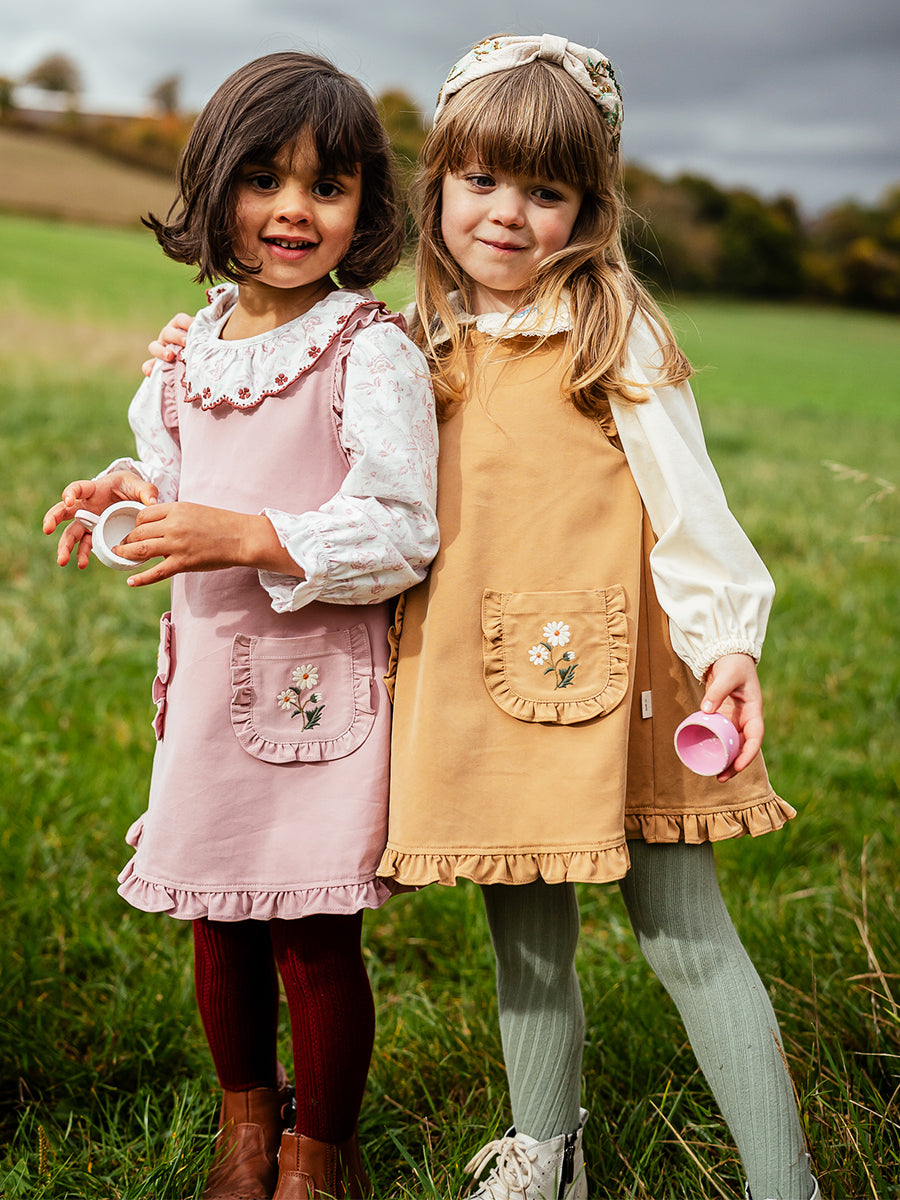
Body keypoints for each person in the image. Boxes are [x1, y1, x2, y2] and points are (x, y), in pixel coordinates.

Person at [141, 34, 820, 1200]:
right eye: (483, 180)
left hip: (624, 686)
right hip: (498, 694)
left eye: (546, 192)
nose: (507, 214)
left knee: (687, 935)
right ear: (439, 185)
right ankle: (546, 1156)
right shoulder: (419, 345)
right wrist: (195, 345)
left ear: (590, 210)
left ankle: (784, 1183)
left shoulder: (610, 333)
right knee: (527, 938)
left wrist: (728, 644)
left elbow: (691, 507)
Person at [43, 51, 438, 1200]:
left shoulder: (366, 351)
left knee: (312, 931)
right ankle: (247, 1124)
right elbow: (177, 494)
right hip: (210, 687)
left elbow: (403, 529)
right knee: (215, 915)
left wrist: (256, 535)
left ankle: (320, 1153)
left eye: (327, 186)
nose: (292, 210)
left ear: (364, 206)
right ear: (217, 188)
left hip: (317, 693)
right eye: (264, 179)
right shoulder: (187, 354)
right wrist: (124, 495)